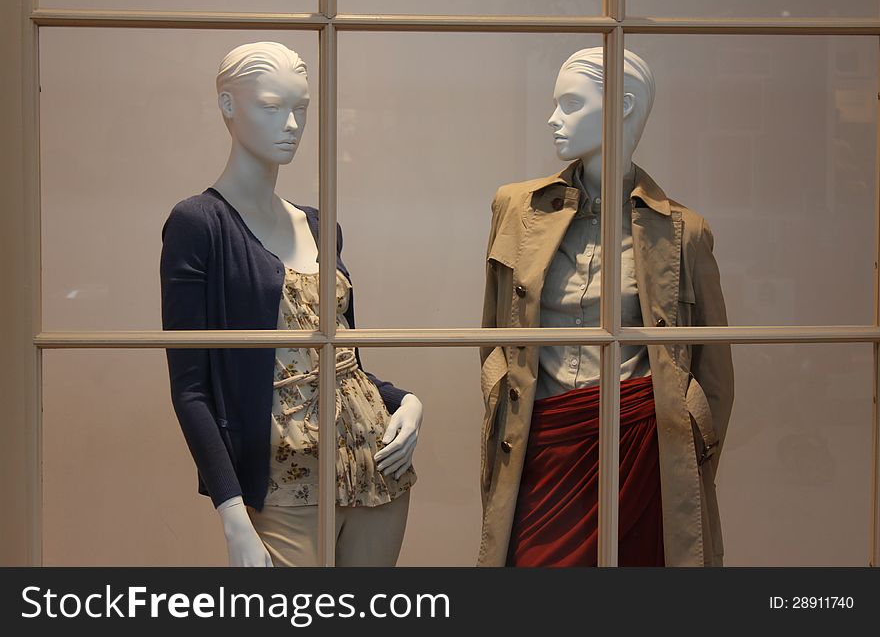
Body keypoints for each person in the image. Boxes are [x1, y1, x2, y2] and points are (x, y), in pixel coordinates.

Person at [160, 41, 420, 567]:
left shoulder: (322, 226)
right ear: (228, 106)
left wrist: (409, 403)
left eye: (301, 108)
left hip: (376, 472)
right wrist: (232, 514)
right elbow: (191, 389)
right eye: (271, 106)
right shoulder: (199, 226)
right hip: (283, 484)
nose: (292, 124)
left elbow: (342, 362)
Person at [478, 47, 734, 567]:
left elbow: (714, 369)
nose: (553, 118)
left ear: (622, 105)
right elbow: (493, 333)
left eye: (570, 104)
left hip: (639, 447)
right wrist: (496, 396)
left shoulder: (684, 231)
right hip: (542, 441)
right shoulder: (516, 208)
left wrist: (691, 443)